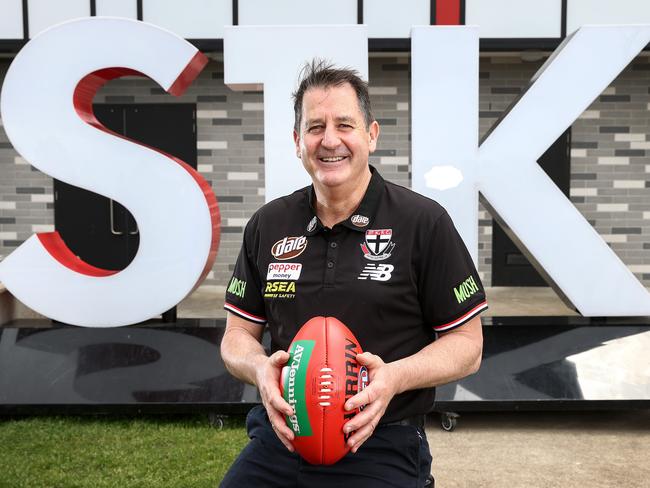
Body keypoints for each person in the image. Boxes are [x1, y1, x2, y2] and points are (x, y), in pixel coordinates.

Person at [220, 60, 487, 488]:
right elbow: (236, 337)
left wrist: (394, 378)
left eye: (345, 124)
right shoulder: (268, 225)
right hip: (283, 439)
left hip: (382, 440)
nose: (329, 140)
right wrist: (259, 369)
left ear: (371, 135)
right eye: (315, 127)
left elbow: (468, 345)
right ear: (297, 141)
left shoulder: (423, 223)